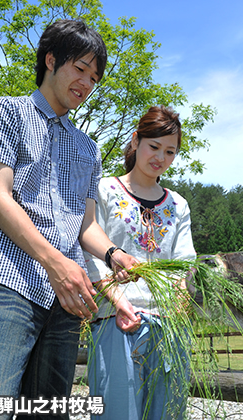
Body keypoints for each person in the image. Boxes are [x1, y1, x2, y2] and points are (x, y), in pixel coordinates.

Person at [0, 19, 139, 419]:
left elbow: (85, 224)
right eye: (80, 68)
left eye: (94, 76)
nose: (86, 83)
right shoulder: (3, 112)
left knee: (48, 413)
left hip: (65, 298)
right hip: (4, 281)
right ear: (51, 60)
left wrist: (114, 253)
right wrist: (55, 262)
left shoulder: (88, 147)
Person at [85, 105, 196, 420]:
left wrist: (177, 308)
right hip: (114, 320)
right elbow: (91, 254)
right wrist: (119, 301)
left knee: (167, 413)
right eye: (154, 146)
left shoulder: (177, 205)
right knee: (117, 413)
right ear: (135, 141)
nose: (161, 157)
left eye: (170, 151)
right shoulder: (105, 190)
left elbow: (184, 263)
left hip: (168, 325)